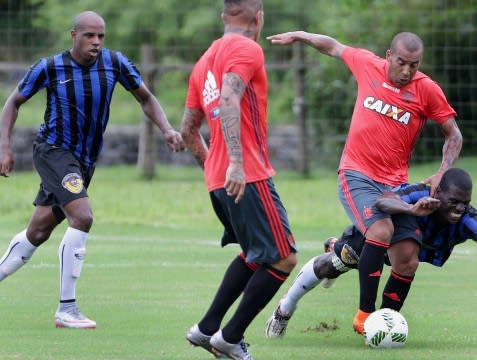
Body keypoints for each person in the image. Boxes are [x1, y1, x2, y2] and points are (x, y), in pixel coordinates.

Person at [267, 30, 464, 333]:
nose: (407, 70)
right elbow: (333, 46)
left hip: (395, 188)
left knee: (405, 259)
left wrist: (442, 172)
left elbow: (454, 134)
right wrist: (301, 36)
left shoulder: (427, 90)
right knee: (381, 230)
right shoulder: (366, 64)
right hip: (356, 175)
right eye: (402, 62)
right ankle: (363, 316)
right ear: (388, 56)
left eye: (414, 64)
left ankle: (382, 327)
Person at [0, 11, 183, 329]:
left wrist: (167, 129)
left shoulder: (115, 64)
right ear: (74, 35)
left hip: (84, 161)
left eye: (101, 36)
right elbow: (12, 103)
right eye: (89, 36)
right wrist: (3, 146)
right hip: (54, 152)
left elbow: (146, 97)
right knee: (82, 217)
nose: (96, 42)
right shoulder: (51, 67)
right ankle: (66, 309)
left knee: (39, 231)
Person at [265, 168, 477, 339]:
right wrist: (409, 209)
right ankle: (285, 308)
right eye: (454, 201)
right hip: (382, 234)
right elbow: (381, 201)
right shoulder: (419, 194)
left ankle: (382, 328)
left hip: (402, 253)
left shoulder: (467, 217)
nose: (460, 208)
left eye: (465, 202)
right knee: (340, 261)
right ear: (437, 192)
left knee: (408, 262)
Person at [180, 1, 297, 359]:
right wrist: (235, 162)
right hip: (246, 174)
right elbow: (230, 96)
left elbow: (188, 130)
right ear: (258, 17)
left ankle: (205, 329)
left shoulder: (204, 60)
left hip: (219, 178)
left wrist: (213, 166)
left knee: (253, 255)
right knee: (283, 258)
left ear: (223, 17)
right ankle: (229, 338)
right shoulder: (247, 47)